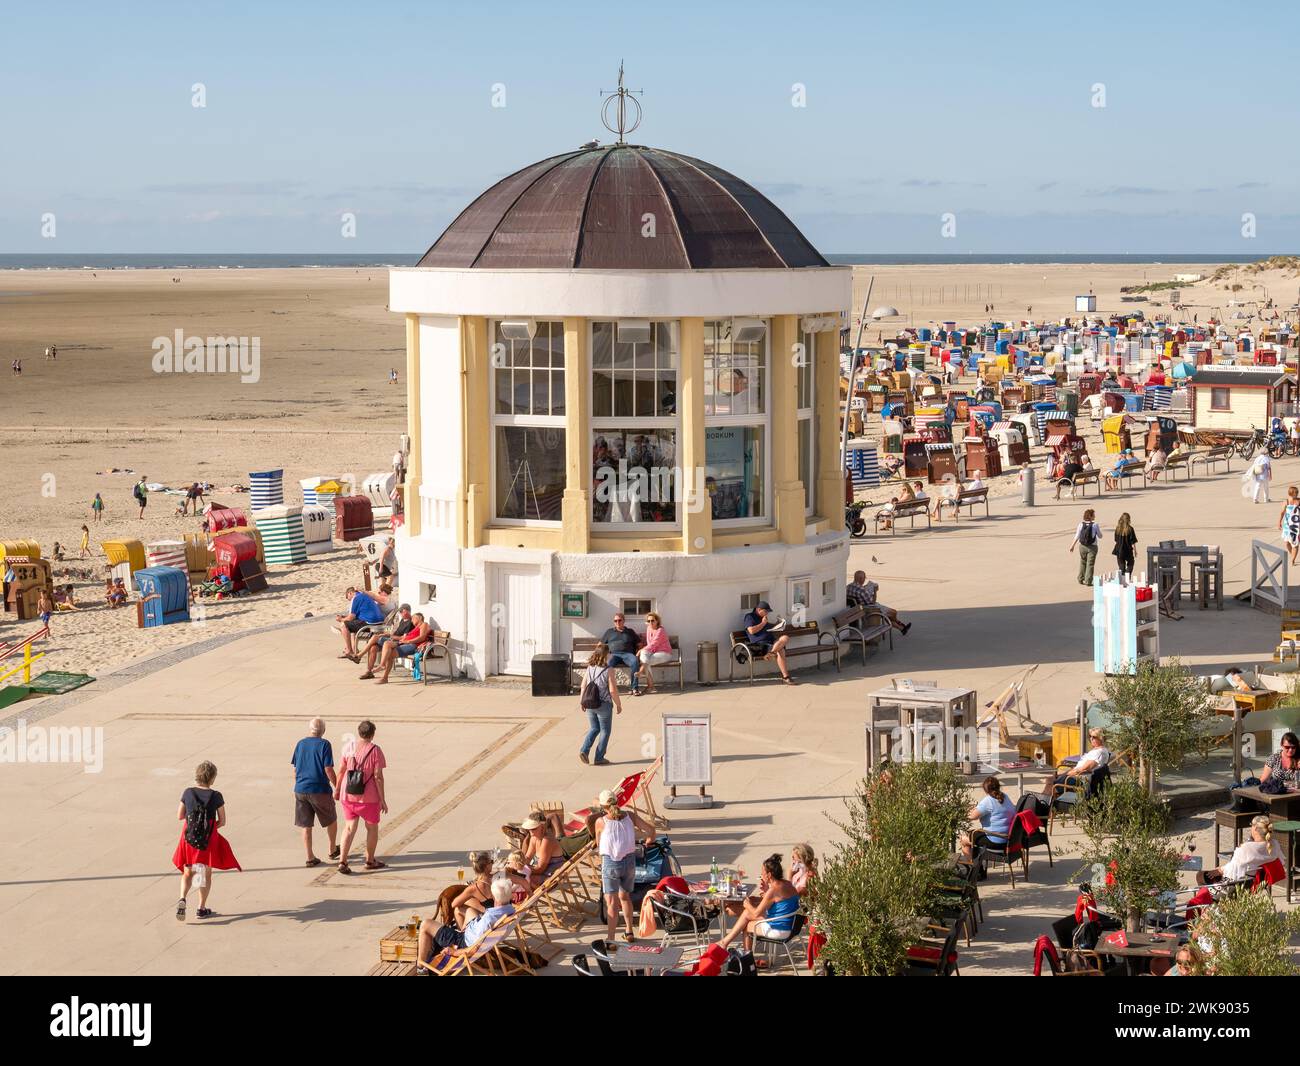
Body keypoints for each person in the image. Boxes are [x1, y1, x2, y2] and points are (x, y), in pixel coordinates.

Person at [172, 760, 241, 921]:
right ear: (212, 778)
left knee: (188, 871)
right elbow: (222, 821)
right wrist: (210, 828)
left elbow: (180, 816)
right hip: (208, 840)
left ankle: (182, 897)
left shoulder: (188, 792)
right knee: (204, 874)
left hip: (189, 838)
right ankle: (201, 908)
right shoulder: (216, 796)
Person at [595, 798, 657, 944]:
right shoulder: (630, 816)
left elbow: (599, 844)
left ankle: (611, 939)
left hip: (611, 862)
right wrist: (649, 841)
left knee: (611, 903)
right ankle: (629, 931)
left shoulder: (601, 821)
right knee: (625, 897)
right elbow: (651, 830)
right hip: (629, 861)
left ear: (603, 806)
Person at [717, 853, 800, 954]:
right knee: (747, 913)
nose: (761, 874)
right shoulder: (787, 883)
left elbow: (756, 913)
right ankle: (724, 943)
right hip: (789, 923)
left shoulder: (773, 890)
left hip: (779, 928)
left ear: (769, 875)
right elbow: (777, 903)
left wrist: (747, 904)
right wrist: (765, 892)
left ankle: (747, 957)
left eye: (762, 872)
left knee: (747, 925)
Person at [334, 720, 388, 874]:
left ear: (359, 732)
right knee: (372, 828)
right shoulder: (375, 750)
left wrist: (337, 790)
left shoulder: (348, 747)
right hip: (368, 797)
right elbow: (378, 776)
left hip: (348, 793)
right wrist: (382, 799)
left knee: (349, 827)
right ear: (372, 734)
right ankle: (370, 860)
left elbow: (341, 770)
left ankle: (342, 861)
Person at [424, 877, 514, 960]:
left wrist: (454, 952)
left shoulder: (489, 919)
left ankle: (421, 966)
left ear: (494, 896)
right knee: (461, 909)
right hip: (474, 931)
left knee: (426, 924)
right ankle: (461, 929)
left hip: (463, 942)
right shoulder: (511, 911)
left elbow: (473, 949)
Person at [291, 718, 339, 867]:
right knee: (331, 819)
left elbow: (295, 768)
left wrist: (298, 783)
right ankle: (332, 849)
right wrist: (337, 786)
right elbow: (328, 769)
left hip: (300, 789)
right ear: (323, 731)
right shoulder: (324, 744)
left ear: (310, 729)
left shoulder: (300, 744)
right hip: (319, 790)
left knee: (306, 825)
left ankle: (310, 856)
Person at [1197, 814, 1282, 888]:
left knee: (1200, 875)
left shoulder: (1246, 849)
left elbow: (1232, 872)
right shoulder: (1275, 845)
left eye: (1251, 825)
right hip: (1257, 884)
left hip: (1236, 886)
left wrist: (1220, 870)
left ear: (1255, 828)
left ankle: (1205, 901)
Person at [577, 644, 621, 765]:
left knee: (594, 728)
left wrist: (582, 701)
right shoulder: (609, 669)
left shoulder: (590, 667)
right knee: (605, 731)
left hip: (590, 703)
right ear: (606, 655)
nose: (611, 655)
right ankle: (599, 757)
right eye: (609, 653)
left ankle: (584, 751)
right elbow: (612, 690)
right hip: (604, 705)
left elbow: (583, 685)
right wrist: (618, 704)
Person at [961, 776, 1016, 862]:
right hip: (1009, 839)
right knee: (973, 835)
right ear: (999, 786)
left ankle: (973, 869)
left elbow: (972, 816)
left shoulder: (988, 801)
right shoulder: (1005, 797)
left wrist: (966, 812)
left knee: (964, 839)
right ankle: (978, 865)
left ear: (985, 789)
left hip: (995, 840)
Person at [1043, 728, 1111, 798]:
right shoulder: (1099, 750)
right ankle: (1046, 801)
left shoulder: (1099, 753)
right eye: (1090, 736)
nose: (1091, 739)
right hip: (1079, 776)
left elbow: (1084, 769)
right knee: (1050, 780)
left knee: (1050, 784)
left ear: (1101, 738)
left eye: (1094, 737)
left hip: (1079, 779)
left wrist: (1068, 774)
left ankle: (1044, 803)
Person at [368, 611, 431, 684]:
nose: (412, 620)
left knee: (389, 653)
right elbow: (405, 637)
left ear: (419, 618)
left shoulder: (424, 624)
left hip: (413, 646)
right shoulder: (416, 628)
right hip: (405, 643)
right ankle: (383, 670)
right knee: (387, 644)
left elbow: (422, 637)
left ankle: (383, 672)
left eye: (413, 618)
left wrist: (409, 641)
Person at [743, 600, 794, 684]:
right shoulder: (749, 617)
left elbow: (769, 627)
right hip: (760, 644)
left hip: (771, 642)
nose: (767, 613)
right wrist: (763, 623)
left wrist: (778, 624)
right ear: (759, 609)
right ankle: (786, 677)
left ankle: (772, 653)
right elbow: (751, 631)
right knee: (781, 650)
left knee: (785, 637)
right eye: (766, 611)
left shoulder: (764, 618)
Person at [846, 570, 911, 634]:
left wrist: (865, 588)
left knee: (889, 615)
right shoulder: (861, 590)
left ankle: (902, 628)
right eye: (864, 578)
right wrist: (875, 591)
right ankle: (900, 624)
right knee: (893, 612)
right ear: (860, 579)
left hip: (858, 608)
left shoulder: (849, 586)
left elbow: (858, 594)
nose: (864, 580)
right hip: (869, 608)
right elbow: (872, 602)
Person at [357, 603, 413, 676]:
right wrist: (387, 634)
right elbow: (395, 632)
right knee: (373, 648)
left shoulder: (410, 623)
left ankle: (360, 655)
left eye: (401, 611)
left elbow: (403, 638)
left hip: (397, 642)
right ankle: (369, 672)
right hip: (392, 639)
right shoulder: (403, 620)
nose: (400, 613)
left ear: (406, 611)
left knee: (374, 637)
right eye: (400, 611)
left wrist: (391, 636)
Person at [336, 585, 386, 661]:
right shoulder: (365, 595)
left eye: (347, 598)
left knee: (344, 625)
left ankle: (349, 651)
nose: (349, 600)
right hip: (380, 623)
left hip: (370, 624)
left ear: (350, 593)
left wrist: (341, 619)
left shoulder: (355, 598)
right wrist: (345, 618)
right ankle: (354, 648)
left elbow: (351, 617)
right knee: (352, 625)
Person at [600, 611, 642, 695]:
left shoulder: (630, 631)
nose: (617, 622)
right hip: (614, 654)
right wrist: (598, 656)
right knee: (607, 664)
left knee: (635, 662)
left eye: (619, 620)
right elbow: (600, 645)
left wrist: (639, 652)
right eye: (615, 621)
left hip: (627, 654)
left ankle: (634, 688)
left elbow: (639, 644)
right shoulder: (609, 632)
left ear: (623, 621)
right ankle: (606, 688)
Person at [636, 611, 673, 695]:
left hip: (665, 653)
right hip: (653, 653)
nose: (650, 622)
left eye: (652, 620)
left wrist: (640, 649)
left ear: (657, 621)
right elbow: (650, 644)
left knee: (645, 659)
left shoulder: (661, 630)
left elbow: (654, 643)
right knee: (644, 656)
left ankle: (650, 685)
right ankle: (650, 686)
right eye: (648, 621)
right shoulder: (649, 628)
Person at [1069, 508, 1102, 585]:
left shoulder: (1081, 524)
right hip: (1092, 547)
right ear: (1090, 516)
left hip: (1082, 546)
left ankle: (1080, 578)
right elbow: (1100, 536)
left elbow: (1077, 535)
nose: (1095, 516)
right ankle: (1088, 581)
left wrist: (1072, 546)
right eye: (1093, 515)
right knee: (1090, 564)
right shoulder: (1095, 525)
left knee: (1083, 562)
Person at [1112, 512, 1138, 577]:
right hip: (1128, 550)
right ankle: (1127, 576)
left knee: (1121, 566)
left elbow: (1115, 539)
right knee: (1131, 563)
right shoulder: (1130, 529)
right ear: (1128, 519)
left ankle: (1122, 578)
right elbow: (1133, 541)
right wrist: (1135, 550)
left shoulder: (1117, 528)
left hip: (1119, 550)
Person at [1279, 486, 1300, 564]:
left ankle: (1293, 559)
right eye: (1295, 493)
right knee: (1287, 543)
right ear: (1290, 493)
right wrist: (1279, 522)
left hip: (1296, 526)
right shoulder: (1286, 502)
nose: (1296, 494)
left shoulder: (1299, 501)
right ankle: (1292, 555)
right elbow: (1282, 513)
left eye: (1297, 493)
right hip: (1287, 526)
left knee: (1295, 543)